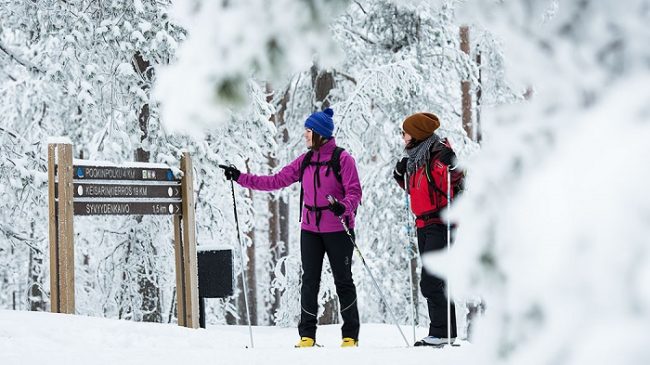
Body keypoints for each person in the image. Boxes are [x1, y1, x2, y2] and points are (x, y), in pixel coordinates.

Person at [220, 108, 362, 348]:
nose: (305, 135)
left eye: (308, 131)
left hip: (338, 229)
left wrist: (343, 207)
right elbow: (275, 180)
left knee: (343, 282)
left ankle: (350, 336)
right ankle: (307, 336)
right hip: (310, 230)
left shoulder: (343, 159)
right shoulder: (305, 160)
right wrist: (240, 177)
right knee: (309, 282)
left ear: (320, 133)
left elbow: (355, 192)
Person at [393, 112, 464, 347]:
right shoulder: (416, 158)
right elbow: (418, 191)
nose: (403, 137)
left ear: (417, 134)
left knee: (431, 281)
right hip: (423, 224)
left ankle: (440, 332)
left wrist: (452, 163)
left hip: (441, 223)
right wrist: (400, 175)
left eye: (405, 132)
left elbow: (455, 180)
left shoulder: (437, 154)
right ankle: (447, 332)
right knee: (437, 279)